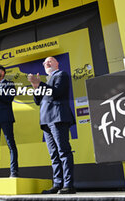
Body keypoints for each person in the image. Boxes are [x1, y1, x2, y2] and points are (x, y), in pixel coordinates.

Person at [28, 57, 75, 194]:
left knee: (63, 152)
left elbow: (56, 93)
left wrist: (40, 83)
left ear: (57, 63)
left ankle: (68, 185)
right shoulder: (46, 81)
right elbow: (37, 101)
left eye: (50, 61)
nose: (46, 63)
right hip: (46, 120)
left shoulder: (62, 75)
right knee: (53, 155)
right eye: (44, 63)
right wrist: (35, 86)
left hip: (58, 118)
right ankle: (57, 184)